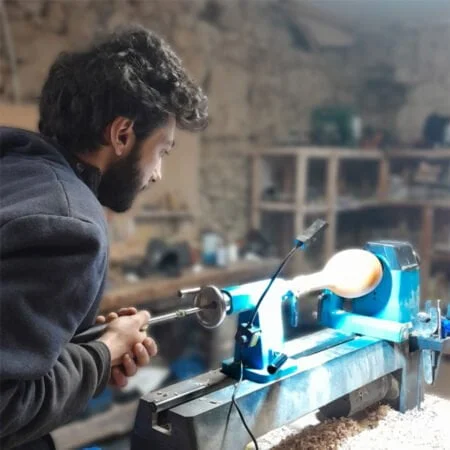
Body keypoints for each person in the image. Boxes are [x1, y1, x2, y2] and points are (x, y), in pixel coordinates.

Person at [0, 24, 208, 450]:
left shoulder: (15, 168)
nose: (158, 173)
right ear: (121, 135)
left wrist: (78, 344)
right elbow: (6, 406)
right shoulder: (68, 224)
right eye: (163, 150)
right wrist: (104, 353)